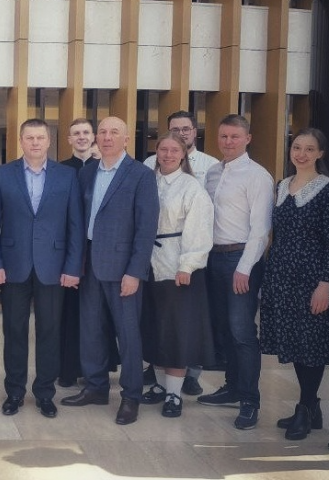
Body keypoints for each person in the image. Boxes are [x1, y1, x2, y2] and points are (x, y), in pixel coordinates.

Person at [61, 116, 159, 426]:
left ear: (126, 139)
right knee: (90, 330)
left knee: (127, 335)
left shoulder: (141, 175)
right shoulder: (87, 172)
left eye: (114, 132)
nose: (106, 137)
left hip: (123, 269)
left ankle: (131, 396)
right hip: (89, 265)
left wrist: (135, 272)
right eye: (102, 132)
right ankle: (96, 387)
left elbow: (146, 229)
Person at [0, 119, 83, 418]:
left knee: (49, 331)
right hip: (13, 266)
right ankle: (14, 392)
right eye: (30, 138)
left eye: (40, 138)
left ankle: (44, 393)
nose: (36, 143)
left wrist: (73, 267)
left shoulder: (67, 176)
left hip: (53, 267)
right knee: (14, 330)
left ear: (49, 141)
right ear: (21, 141)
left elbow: (76, 225)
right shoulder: (2, 175)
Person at [197, 114, 273, 430]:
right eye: (224, 136)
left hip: (241, 259)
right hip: (213, 258)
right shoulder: (213, 172)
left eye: (234, 136)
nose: (228, 142)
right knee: (224, 329)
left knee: (242, 332)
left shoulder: (258, 176)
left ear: (247, 139)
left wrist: (245, 268)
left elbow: (261, 229)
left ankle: (249, 401)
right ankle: (232, 386)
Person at [143, 111, 220, 395]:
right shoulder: (147, 181)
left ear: (183, 154)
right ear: (156, 152)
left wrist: (187, 265)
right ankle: (160, 387)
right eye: (163, 149)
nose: (168, 155)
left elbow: (199, 229)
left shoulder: (191, 187)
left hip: (177, 265)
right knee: (155, 328)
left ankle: (174, 394)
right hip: (148, 264)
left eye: (174, 150)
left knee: (176, 332)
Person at [260, 128, 329, 440]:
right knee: (294, 343)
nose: (301, 154)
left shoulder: (325, 190)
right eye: (297, 147)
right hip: (282, 275)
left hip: (311, 277)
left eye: (309, 149)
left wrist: (325, 283)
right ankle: (311, 407)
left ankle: (305, 407)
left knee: (310, 344)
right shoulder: (282, 186)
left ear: (320, 154)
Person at [58, 118, 100, 388]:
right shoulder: (61, 170)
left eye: (86, 132)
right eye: (76, 133)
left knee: (95, 313)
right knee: (69, 312)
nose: (82, 137)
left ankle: (95, 370)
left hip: (97, 251)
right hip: (67, 251)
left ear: (93, 137)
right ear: (69, 139)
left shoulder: (103, 168)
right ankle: (68, 368)